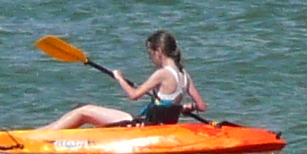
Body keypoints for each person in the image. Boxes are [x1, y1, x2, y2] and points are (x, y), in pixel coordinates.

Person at [51, 30, 206, 129]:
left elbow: (133, 95)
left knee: (84, 111)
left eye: (150, 54)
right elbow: (201, 106)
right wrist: (181, 108)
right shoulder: (184, 75)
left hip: (144, 125)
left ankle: (39, 136)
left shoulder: (162, 74)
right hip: (162, 125)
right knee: (84, 107)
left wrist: (119, 78)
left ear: (159, 51)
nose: (151, 59)